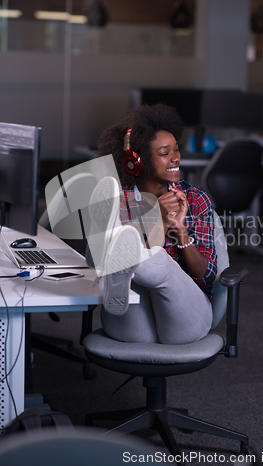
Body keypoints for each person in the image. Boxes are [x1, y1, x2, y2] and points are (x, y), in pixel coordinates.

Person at [87, 103, 218, 345]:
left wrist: (179, 230)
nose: (175, 158)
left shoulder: (196, 199)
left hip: (186, 321)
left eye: (176, 150)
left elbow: (206, 277)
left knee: (159, 266)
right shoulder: (117, 200)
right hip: (131, 317)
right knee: (133, 281)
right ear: (138, 161)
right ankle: (124, 262)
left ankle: (128, 260)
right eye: (165, 153)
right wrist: (157, 219)